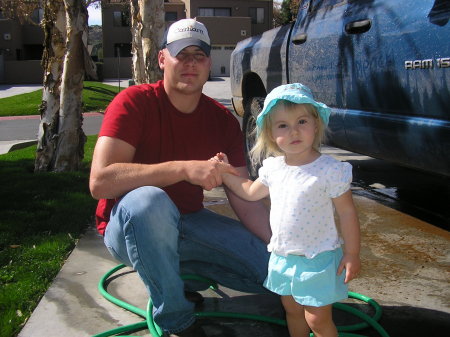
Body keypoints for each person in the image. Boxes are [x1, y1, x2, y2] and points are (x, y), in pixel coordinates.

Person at [89, 18, 271, 337]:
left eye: (198, 55)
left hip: (189, 222)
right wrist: (185, 168)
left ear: (208, 62)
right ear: (162, 59)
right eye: (180, 54)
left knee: (278, 275)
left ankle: (178, 275)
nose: (190, 63)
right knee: (149, 201)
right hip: (129, 224)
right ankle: (177, 318)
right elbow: (100, 181)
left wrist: (288, 247)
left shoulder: (221, 121)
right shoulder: (133, 103)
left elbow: (245, 198)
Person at [211, 83, 361, 337]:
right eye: (283, 125)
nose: (293, 131)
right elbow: (249, 191)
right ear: (270, 133)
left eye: (301, 121)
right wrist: (226, 174)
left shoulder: (329, 170)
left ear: (315, 124)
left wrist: (352, 253)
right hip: (283, 257)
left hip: (318, 258)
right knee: (291, 309)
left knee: (317, 319)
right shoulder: (274, 169)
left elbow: (347, 213)